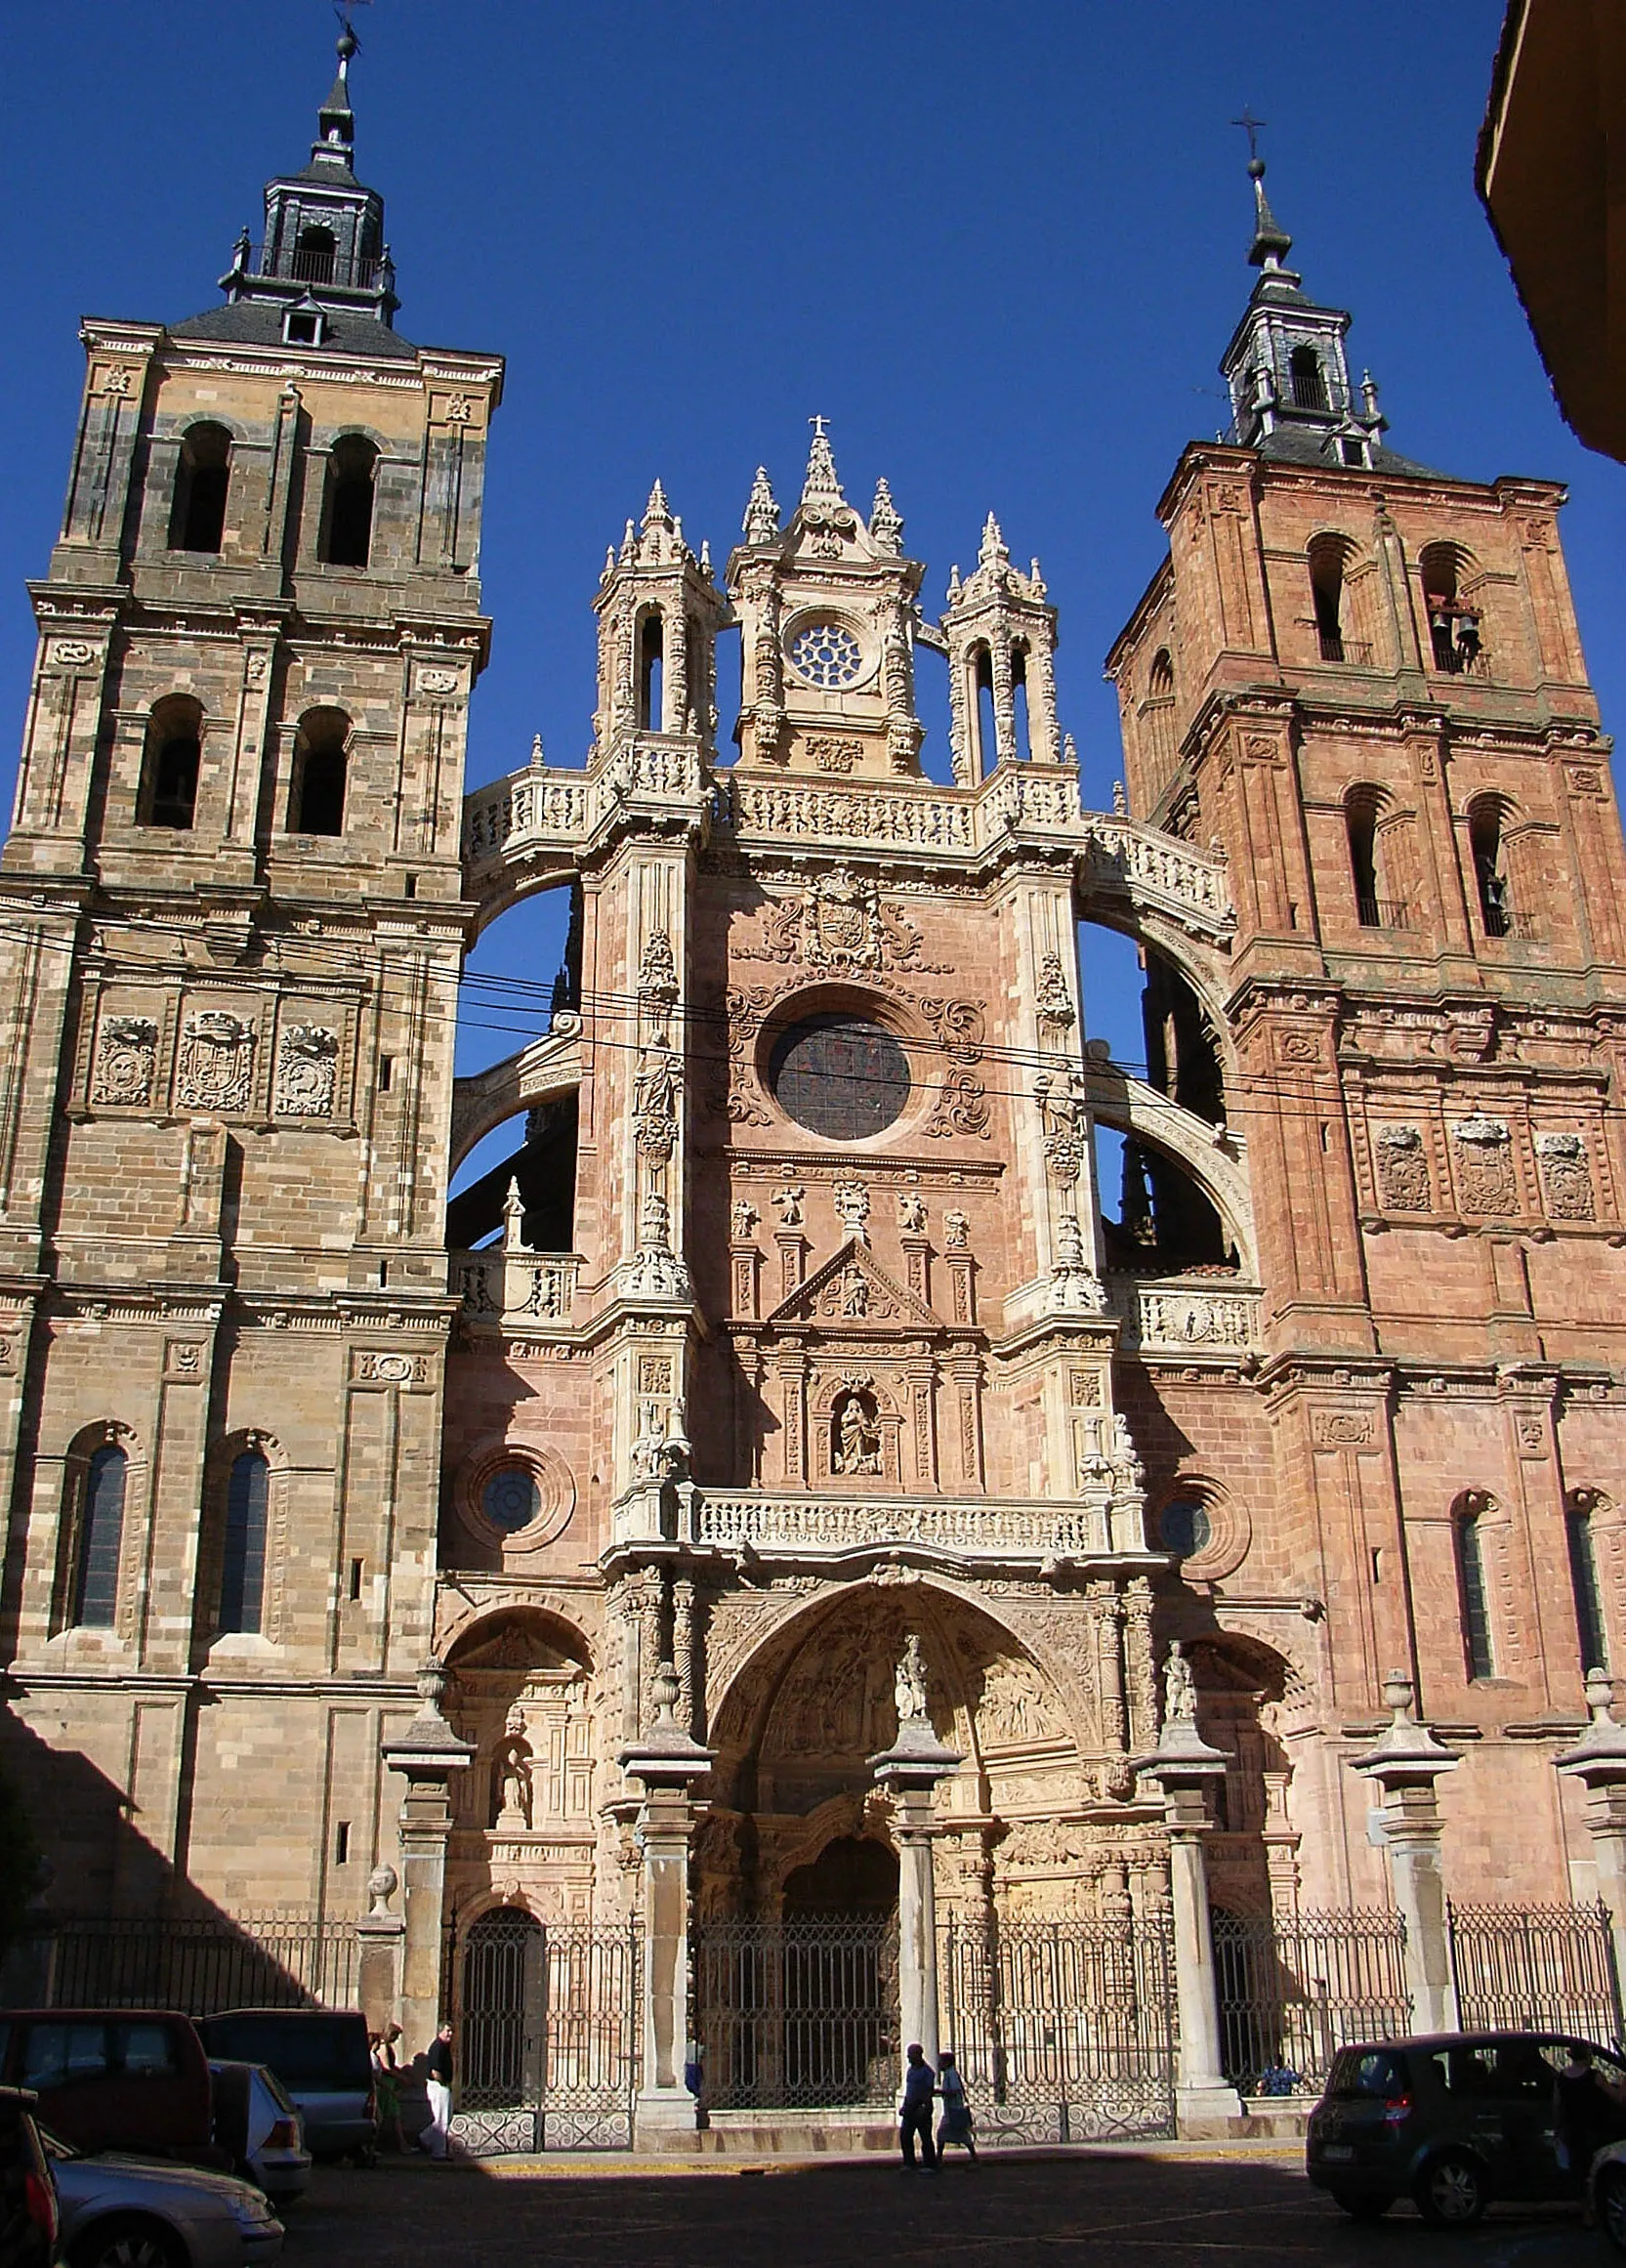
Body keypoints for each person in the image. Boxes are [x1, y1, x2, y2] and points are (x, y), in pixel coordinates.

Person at [1554, 2041, 1624, 2178]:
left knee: (1577, 2168)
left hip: (1572, 2131)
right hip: (1596, 2130)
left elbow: (1557, 2105)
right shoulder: (1594, 2076)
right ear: (1588, 2055)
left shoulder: (1561, 2078)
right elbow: (1618, 2098)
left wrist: (1558, 2129)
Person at [899, 2041, 938, 2171]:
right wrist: (904, 2106)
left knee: (925, 2137)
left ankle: (929, 2164)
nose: (908, 2058)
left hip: (921, 2107)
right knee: (905, 2136)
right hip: (910, 2107)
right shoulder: (910, 2071)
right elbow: (909, 2090)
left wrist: (925, 2108)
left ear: (918, 2055)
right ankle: (909, 2162)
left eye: (910, 2055)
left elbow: (928, 2091)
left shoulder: (927, 2072)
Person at [421, 2022, 455, 2161]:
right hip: (438, 2086)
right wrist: (443, 2082)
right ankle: (439, 2152)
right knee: (441, 2119)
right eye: (448, 2031)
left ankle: (424, 2138)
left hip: (442, 2085)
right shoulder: (437, 2047)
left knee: (446, 2116)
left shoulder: (444, 2047)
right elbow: (435, 2071)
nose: (450, 2034)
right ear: (440, 2031)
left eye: (451, 2031)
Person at [936, 2049, 976, 2162]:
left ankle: (939, 2158)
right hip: (951, 2110)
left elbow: (955, 2091)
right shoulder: (949, 2073)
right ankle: (939, 2158)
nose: (939, 2065)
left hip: (954, 2109)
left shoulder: (951, 2074)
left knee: (943, 2134)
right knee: (953, 2135)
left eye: (941, 2062)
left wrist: (940, 2092)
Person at [370, 2026, 404, 2152]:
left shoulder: (386, 2047)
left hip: (388, 2083)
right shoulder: (383, 2048)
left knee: (390, 2114)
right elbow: (386, 2068)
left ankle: (401, 2143)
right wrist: (401, 2077)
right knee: (387, 2115)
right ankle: (400, 2144)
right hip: (386, 2084)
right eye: (396, 2036)